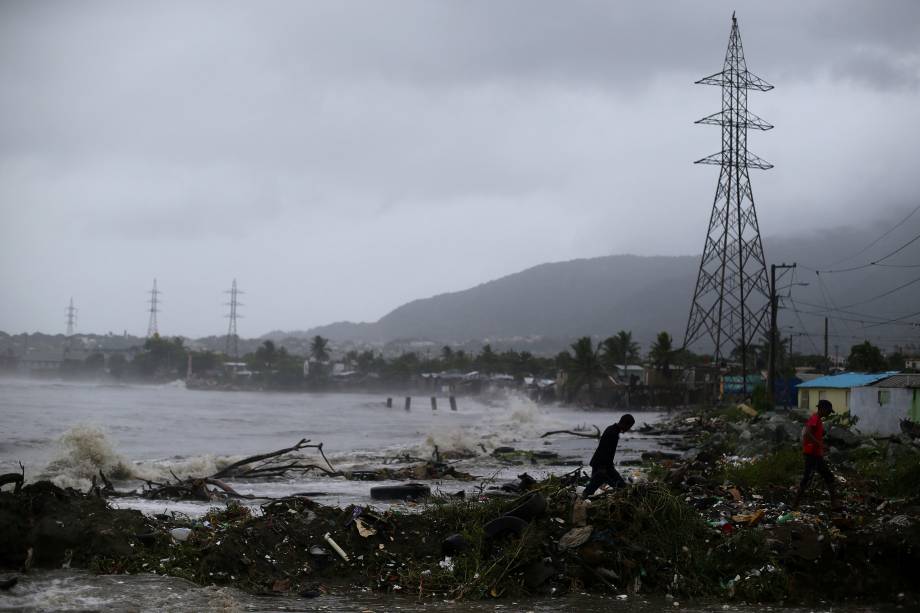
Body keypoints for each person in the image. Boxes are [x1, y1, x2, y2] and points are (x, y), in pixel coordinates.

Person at [792, 399, 841, 510]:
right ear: (822, 409)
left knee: (828, 477)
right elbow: (807, 433)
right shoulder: (815, 419)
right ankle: (794, 505)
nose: (829, 413)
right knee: (807, 479)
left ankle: (835, 504)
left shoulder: (817, 420)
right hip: (812, 455)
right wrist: (820, 444)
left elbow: (810, 433)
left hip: (815, 455)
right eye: (828, 411)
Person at [582, 414, 635, 498]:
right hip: (602, 465)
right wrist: (602, 468)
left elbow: (606, 452)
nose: (628, 429)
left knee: (594, 486)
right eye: (629, 426)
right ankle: (583, 498)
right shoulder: (612, 433)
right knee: (619, 486)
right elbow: (604, 450)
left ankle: (584, 497)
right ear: (625, 424)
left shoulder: (611, 429)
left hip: (604, 465)